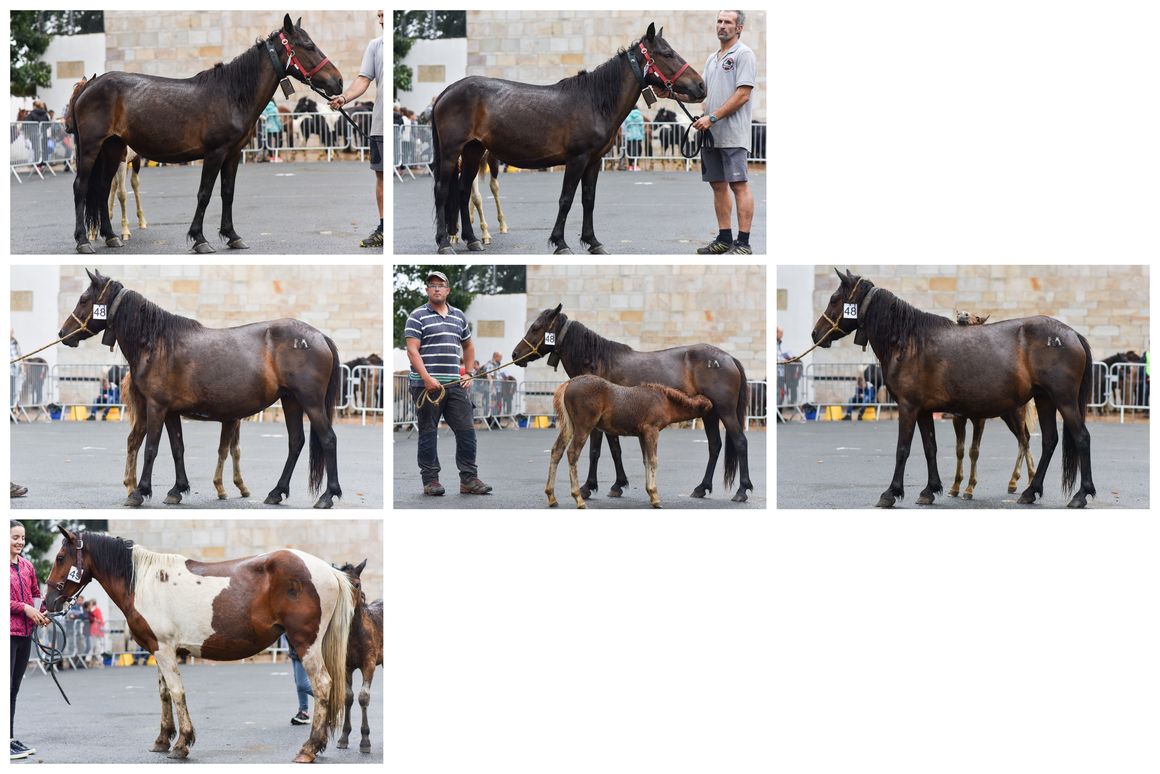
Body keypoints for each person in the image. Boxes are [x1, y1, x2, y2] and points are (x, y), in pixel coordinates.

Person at [405, 271, 492, 497]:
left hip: (454, 385)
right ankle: (431, 480)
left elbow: (469, 347)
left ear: (448, 290)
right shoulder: (417, 316)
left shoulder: (459, 316)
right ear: (426, 290)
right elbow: (412, 350)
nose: (436, 288)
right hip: (426, 386)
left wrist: (469, 373)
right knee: (428, 432)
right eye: (432, 285)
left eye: (440, 285)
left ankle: (469, 479)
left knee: (466, 431)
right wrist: (426, 378)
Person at [686, 11, 757, 255]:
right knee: (718, 186)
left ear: (739, 28)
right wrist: (671, 94)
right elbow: (701, 93)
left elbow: (743, 94)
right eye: (719, 21)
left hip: (733, 134)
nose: (722, 26)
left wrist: (713, 117)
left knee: (739, 185)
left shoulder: (743, 54)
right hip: (711, 134)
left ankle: (744, 242)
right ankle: (724, 238)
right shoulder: (712, 58)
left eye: (728, 22)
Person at [329, 10, 384, 248]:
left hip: (395, 125)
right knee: (381, 178)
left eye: (385, 15)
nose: (381, 20)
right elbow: (363, 79)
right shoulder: (375, 45)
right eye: (379, 15)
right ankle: (384, 228)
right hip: (380, 124)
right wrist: (344, 97)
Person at [11, 520, 49, 760]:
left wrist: (44, 612)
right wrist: (25, 608)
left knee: (13, 688)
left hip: (25, 635)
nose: (20, 542)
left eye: (22, 538)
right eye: (15, 537)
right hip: (7, 634)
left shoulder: (26, 566)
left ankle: (9, 738)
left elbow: (37, 595)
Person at [283, 635, 313, 725]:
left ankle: (331, 699)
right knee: (298, 682)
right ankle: (303, 712)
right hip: (295, 651)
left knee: (302, 684)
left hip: (303, 651)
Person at [621, 105, 645, 171]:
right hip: (638, 136)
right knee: (638, 150)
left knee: (629, 150)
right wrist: (643, 135)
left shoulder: (627, 116)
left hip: (629, 136)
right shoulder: (640, 116)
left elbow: (625, 126)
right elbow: (642, 127)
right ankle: (636, 165)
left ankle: (630, 165)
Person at [84, 599, 104, 667]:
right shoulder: (93, 610)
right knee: (96, 645)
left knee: (95, 645)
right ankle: (99, 659)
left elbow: (100, 620)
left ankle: (89, 658)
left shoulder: (94, 610)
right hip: (95, 629)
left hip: (96, 629)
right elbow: (99, 620)